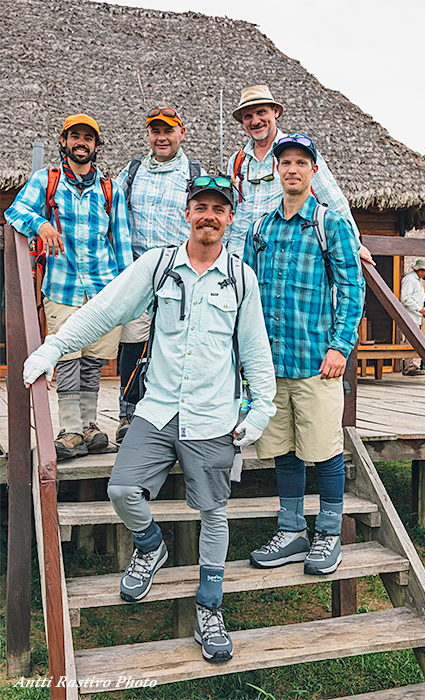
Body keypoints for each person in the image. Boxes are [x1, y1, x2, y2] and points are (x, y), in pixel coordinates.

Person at [23, 176, 277, 663]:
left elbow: (255, 350)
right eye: (200, 206)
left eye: (218, 209)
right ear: (187, 213)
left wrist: (260, 408)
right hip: (157, 409)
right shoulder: (159, 266)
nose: (208, 215)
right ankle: (150, 545)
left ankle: (210, 608)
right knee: (120, 490)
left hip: (212, 417)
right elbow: (104, 310)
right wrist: (53, 347)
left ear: (229, 219)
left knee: (214, 513)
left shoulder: (242, 278)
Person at [243, 133, 365, 575]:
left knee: (325, 448)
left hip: (318, 361)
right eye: (285, 162)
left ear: (314, 170)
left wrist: (340, 346)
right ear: (276, 170)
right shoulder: (260, 228)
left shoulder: (330, 223)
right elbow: (247, 294)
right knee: (283, 450)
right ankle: (292, 531)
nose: (292, 169)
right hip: (271, 363)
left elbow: (353, 288)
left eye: (301, 162)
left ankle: (328, 534)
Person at [6, 114, 132, 460]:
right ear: (63, 142)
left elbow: (120, 242)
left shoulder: (110, 188)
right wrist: (41, 222)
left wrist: (127, 291)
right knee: (69, 359)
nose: (81, 143)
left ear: (96, 145)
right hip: (62, 286)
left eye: (88, 138)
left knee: (93, 360)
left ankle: (90, 426)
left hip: (103, 288)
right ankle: (70, 429)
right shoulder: (45, 181)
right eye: (74, 136)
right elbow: (14, 212)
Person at [114, 107, 206, 443]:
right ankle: (128, 414)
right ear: (148, 135)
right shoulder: (132, 170)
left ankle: (175, 414)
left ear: (182, 132)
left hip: (178, 272)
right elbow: (107, 206)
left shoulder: (195, 173)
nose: (162, 138)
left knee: (176, 344)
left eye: (168, 131)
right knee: (133, 343)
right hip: (139, 270)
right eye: (155, 131)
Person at [227, 84, 374, 265]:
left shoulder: (299, 151)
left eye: (261, 112)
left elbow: (332, 198)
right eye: (248, 116)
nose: (255, 121)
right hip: (239, 258)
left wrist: (355, 244)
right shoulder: (237, 161)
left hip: (280, 258)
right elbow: (229, 210)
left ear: (275, 112)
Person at [400, 259, 425, 376]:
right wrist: (419, 309)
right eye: (423, 270)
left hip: (415, 316)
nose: (424, 273)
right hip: (410, 315)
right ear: (417, 269)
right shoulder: (410, 280)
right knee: (412, 341)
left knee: (413, 341)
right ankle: (411, 367)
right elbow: (406, 298)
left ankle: (412, 367)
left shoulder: (418, 281)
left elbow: (416, 296)